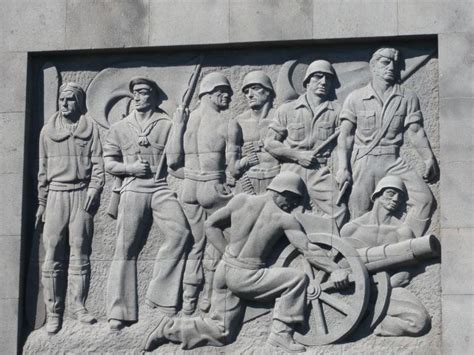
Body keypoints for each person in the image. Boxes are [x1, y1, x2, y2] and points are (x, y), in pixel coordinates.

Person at [144, 171, 349, 353]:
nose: (294, 205)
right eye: (294, 199)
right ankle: (280, 333)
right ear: (281, 192)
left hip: (224, 270)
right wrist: (335, 269)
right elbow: (307, 249)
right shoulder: (284, 219)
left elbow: (210, 224)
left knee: (222, 331)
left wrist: (226, 251)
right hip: (247, 276)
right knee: (297, 279)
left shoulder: (240, 200)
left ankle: (168, 329)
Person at [103, 77, 191, 330]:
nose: (139, 97)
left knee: (181, 233)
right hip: (132, 188)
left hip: (160, 186)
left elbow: (174, 160)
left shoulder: (166, 123)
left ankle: (161, 298)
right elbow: (109, 163)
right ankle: (118, 311)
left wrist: (180, 125)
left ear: (153, 96)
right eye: (136, 93)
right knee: (125, 248)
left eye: (144, 93)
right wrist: (129, 168)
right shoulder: (119, 127)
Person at [336, 47, 439, 237]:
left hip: (393, 160)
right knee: (360, 211)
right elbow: (346, 135)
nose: (391, 67)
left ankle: (404, 243)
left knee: (424, 199)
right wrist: (343, 167)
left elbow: (415, 130)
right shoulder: (355, 98)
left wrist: (428, 158)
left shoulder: (407, 97)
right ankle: (364, 254)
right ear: (373, 66)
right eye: (385, 62)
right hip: (365, 161)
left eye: (395, 63)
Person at [166, 72, 243, 314]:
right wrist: (247, 161)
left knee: (196, 246)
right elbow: (233, 167)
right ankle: (208, 296)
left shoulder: (183, 121)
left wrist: (178, 126)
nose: (228, 97)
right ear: (208, 94)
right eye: (223, 92)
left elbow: (173, 162)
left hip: (188, 188)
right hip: (213, 189)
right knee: (222, 242)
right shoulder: (228, 123)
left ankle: (189, 299)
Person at [36, 82, 104, 334]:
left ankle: (79, 307)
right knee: (52, 252)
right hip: (56, 194)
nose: (64, 104)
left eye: (70, 100)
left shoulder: (91, 129)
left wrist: (95, 188)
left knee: (80, 252)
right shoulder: (47, 132)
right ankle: (54, 312)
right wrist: (42, 203)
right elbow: (42, 170)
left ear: (79, 102)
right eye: (62, 99)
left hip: (81, 194)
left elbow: (99, 163)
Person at [341, 175, 431, 336]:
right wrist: (338, 274)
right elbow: (340, 261)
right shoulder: (351, 229)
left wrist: (382, 289)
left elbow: (405, 272)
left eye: (400, 196)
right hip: (351, 288)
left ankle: (374, 323)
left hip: (387, 287)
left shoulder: (402, 231)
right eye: (390, 193)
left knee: (419, 322)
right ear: (376, 195)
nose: (395, 199)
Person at [265, 60, 347, 228]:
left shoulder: (338, 111)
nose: (323, 82)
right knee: (276, 213)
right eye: (318, 77)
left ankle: (319, 244)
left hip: (319, 169)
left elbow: (344, 143)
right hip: (291, 169)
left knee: (340, 210)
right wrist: (297, 156)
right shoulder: (287, 110)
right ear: (307, 82)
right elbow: (270, 143)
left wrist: (343, 168)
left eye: (328, 78)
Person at [234, 70, 280, 194]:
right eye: (246, 91)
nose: (250, 95)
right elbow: (229, 157)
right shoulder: (239, 121)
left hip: (276, 181)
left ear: (268, 90)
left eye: (255, 88)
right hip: (247, 182)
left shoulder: (280, 117)